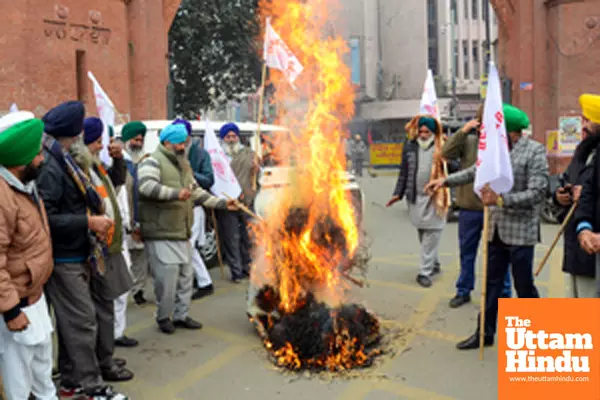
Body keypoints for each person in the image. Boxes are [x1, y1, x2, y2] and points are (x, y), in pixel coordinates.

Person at [426, 104, 548, 350]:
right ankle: (484, 333)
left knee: (523, 286)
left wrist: (502, 201)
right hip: (496, 230)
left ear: (511, 131)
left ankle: (537, 336)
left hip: (521, 232)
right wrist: (445, 181)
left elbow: (537, 192)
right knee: (491, 285)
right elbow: (475, 171)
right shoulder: (494, 151)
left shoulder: (534, 151)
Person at [36, 101, 128, 399]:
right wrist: (88, 221)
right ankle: (92, 387)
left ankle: (70, 380)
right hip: (64, 258)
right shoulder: (53, 166)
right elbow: (45, 217)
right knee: (83, 321)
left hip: (79, 253)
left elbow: (110, 184)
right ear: (73, 135)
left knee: (72, 323)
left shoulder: (67, 160)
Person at [138, 123, 238, 334]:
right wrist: (175, 193)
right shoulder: (152, 161)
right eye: (180, 143)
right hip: (161, 231)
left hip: (181, 230)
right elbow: (145, 187)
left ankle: (181, 315)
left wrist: (221, 203)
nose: (184, 146)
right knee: (167, 280)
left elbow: (196, 192)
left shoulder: (184, 166)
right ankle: (164, 316)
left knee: (185, 276)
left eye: (185, 142)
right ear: (167, 143)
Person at [0, 113, 57, 400]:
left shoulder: (24, 186)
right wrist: (11, 311)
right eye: (36, 154)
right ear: (20, 160)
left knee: (42, 371)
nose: (42, 159)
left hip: (35, 297)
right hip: (16, 307)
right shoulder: (2, 196)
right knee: (18, 382)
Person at [442, 106, 512, 307]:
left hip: (496, 209)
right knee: (467, 253)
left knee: (499, 255)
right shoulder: (470, 142)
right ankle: (463, 290)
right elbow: (446, 153)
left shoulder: (501, 145)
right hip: (470, 209)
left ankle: (504, 293)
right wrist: (464, 130)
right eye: (482, 121)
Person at [81, 118, 139, 357]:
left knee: (120, 292)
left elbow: (117, 182)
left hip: (113, 241)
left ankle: (114, 337)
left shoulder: (97, 165)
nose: (100, 146)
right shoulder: (82, 168)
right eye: (96, 142)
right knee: (104, 301)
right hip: (99, 245)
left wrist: (117, 159)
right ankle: (104, 349)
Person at [386, 115, 450, 288]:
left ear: (433, 132)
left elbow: (455, 167)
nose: (422, 134)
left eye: (426, 131)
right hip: (415, 196)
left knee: (433, 233)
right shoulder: (409, 146)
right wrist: (397, 194)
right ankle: (434, 264)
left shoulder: (442, 146)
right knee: (423, 233)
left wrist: (449, 149)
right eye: (421, 131)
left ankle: (424, 272)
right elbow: (404, 173)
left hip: (436, 197)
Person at [554, 95, 600, 298]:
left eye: (588, 120)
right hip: (576, 242)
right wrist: (560, 196)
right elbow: (567, 180)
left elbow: (590, 193)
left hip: (593, 248)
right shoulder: (582, 152)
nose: (583, 126)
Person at [173, 119, 215, 300]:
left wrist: (190, 172)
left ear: (188, 137)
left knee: (189, 246)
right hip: (177, 208)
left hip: (195, 207)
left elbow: (208, 180)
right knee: (185, 247)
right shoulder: (171, 154)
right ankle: (197, 280)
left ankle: (205, 282)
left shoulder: (200, 154)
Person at [218, 122, 260, 283]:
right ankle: (236, 272)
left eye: (234, 136)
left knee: (248, 237)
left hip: (247, 201)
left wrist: (257, 168)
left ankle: (247, 267)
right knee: (231, 238)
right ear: (223, 138)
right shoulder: (218, 156)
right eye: (228, 136)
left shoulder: (249, 153)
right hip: (227, 202)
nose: (231, 139)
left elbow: (258, 177)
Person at [120, 121, 151, 306]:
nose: (138, 143)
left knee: (140, 258)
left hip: (142, 218)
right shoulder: (118, 163)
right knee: (125, 259)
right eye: (135, 139)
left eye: (141, 140)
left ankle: (139, 290)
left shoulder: (145, 161)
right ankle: (124, 292)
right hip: (125, 221)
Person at [575, 93, 600, 297]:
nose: (582, 125)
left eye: (587, 119)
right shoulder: (590, 151)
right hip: (586, 246)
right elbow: (589, 191)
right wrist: (584, 227)